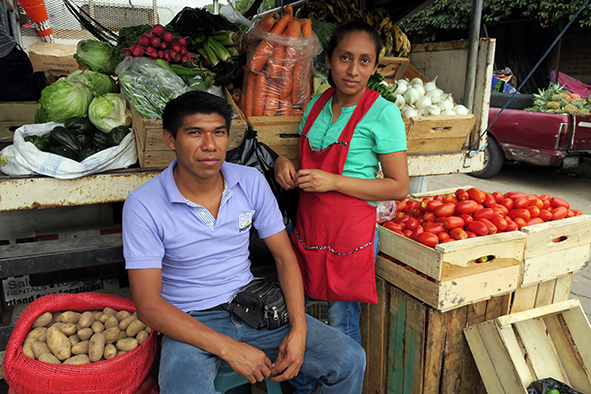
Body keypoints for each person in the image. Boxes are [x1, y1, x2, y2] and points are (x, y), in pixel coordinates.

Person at [122, 90, 366, 394]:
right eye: (195, 133)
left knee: (349, 358)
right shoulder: (144, 204)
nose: (209, 146)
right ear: (171, 139)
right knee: (183, 388)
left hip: (253, 305)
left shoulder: (249, 181)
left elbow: (285, 258)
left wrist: (299, 328)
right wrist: (229, 348)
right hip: (189, 320)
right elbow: (148, 306)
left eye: (219, 133)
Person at [274, 20, 409, 344]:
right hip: (308, 228)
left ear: (375, 66)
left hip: (351, 236)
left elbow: (397, 186)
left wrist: (333, 182)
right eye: (345, 58)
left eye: (364, 60)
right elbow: (306, 162)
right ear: (329, 61)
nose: (353, 70)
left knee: (340, 326)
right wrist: (284, 164)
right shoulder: (316, 105)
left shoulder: (383, 113)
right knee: (300, 320)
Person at [0, 23, 49, 101]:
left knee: (4, 92)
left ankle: (39, 83)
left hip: (7, 57)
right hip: (14, 53)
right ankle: (38, 82)